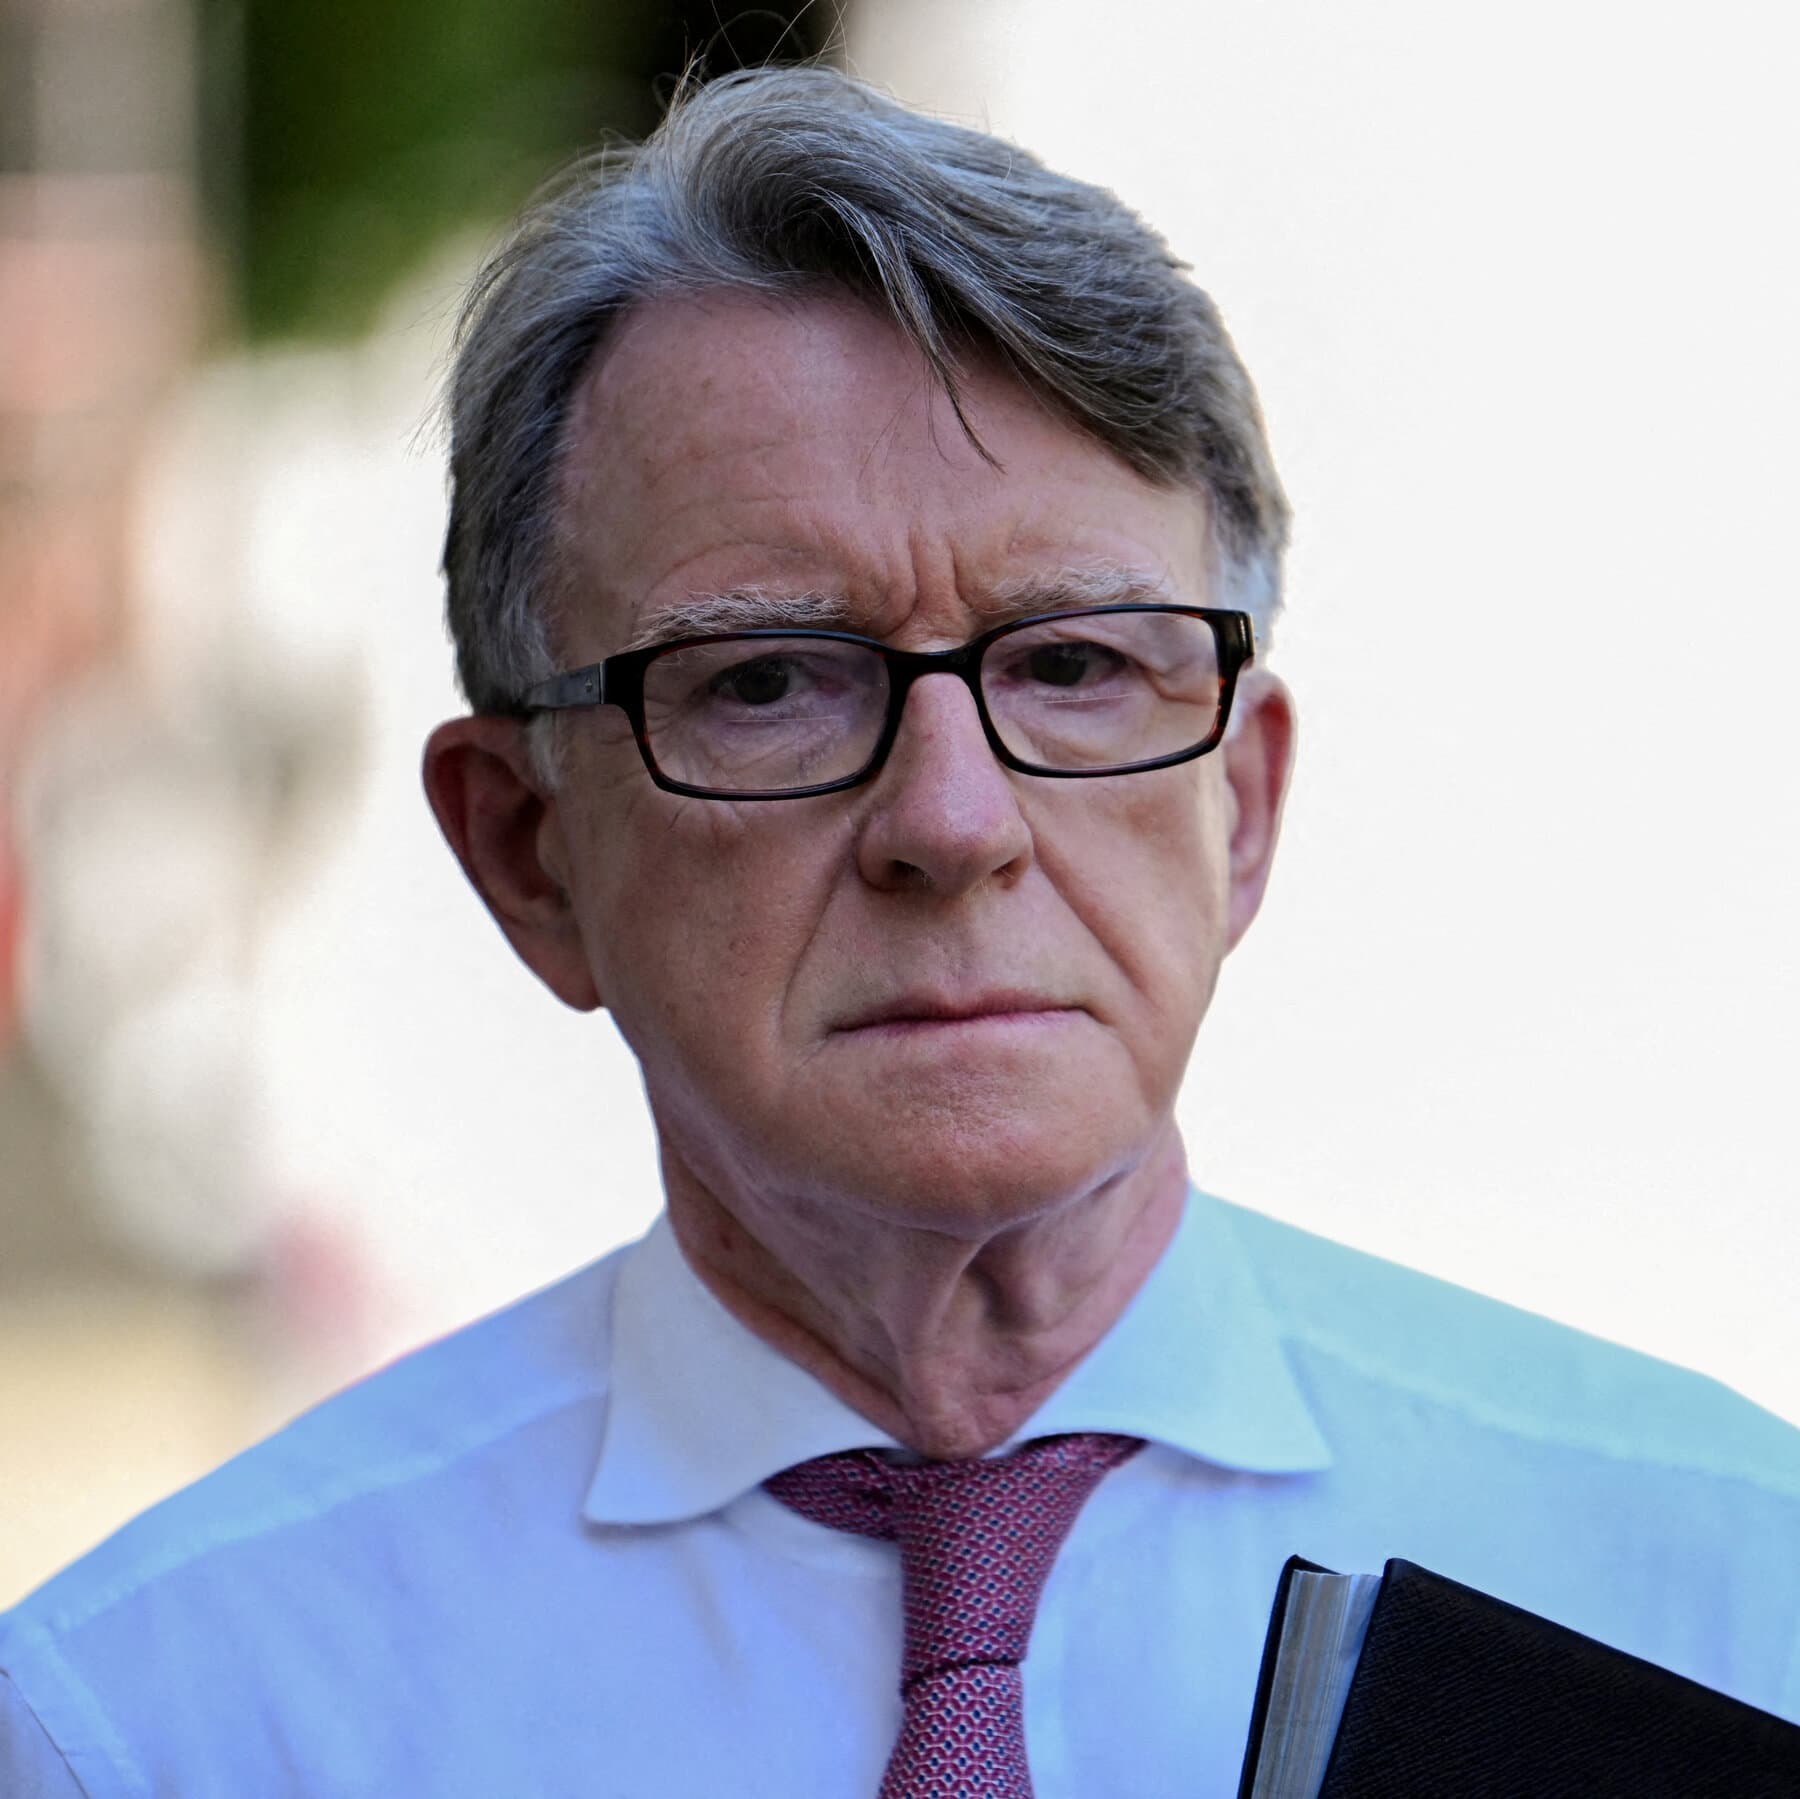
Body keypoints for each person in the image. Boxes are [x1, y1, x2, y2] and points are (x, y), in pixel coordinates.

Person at [3, 65, 1797, 1798]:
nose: (953, 821)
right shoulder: (158, 1729)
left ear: (1240, 805)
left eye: (1079, 664)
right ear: (529, 853)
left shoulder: (1727, 1606)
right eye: (771, 681)